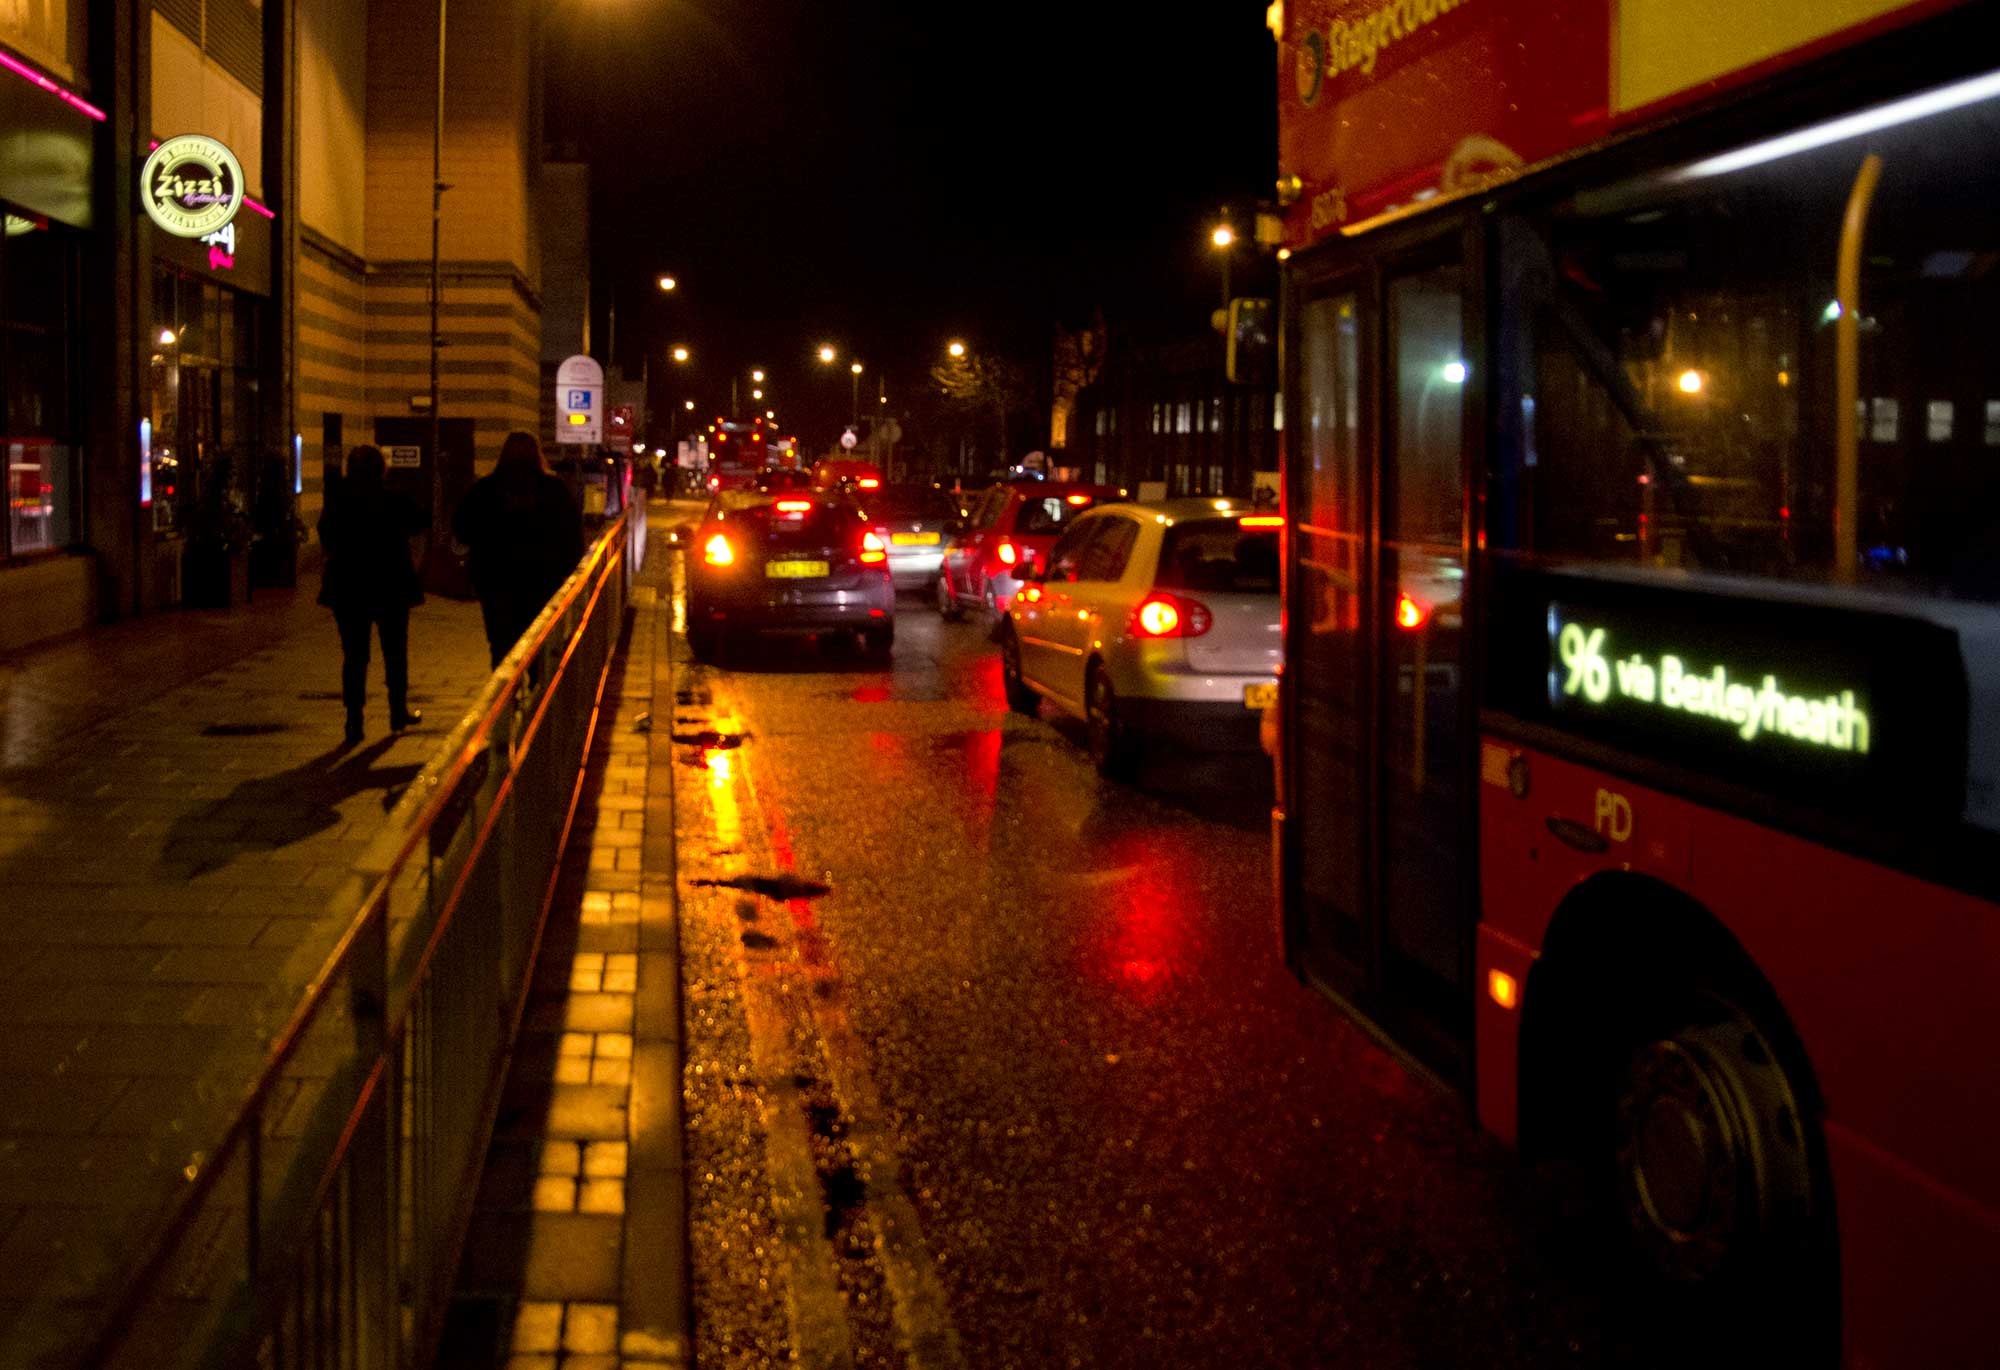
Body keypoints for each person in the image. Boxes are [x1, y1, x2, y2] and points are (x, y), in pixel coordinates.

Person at [317, 445, 426, 745]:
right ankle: (397, 712)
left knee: (354, 655)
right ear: (382, 470)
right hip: (391, 584)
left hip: (349, 585)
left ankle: (354, 720)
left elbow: (326, 536)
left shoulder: (339, 501)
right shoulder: (395, 499)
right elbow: (420, 524)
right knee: (395, 651)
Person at [453, 430, 585, 667]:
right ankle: (536, 683)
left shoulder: (485, 489)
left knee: (500, 643)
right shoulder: (553, 489)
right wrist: (567, 569)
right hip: (542, 579)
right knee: (538, 640)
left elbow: (462, 529)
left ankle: (505, 685)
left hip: (495, 579)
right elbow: (571, 533)